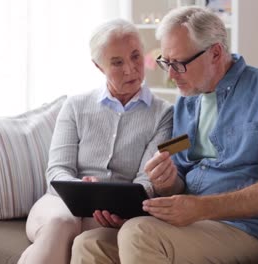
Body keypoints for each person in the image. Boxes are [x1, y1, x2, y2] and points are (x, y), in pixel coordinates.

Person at [71, 6, 258, 264]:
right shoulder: (187, 103)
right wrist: (167, 182)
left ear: (215, 52)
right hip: (191, 223)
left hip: (248, 230)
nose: (171, 75)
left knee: (139, 234)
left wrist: (201, 208)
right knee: (90, 242)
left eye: (179, 64)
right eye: (166, 62)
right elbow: (180, 174)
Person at [18, 18, 173, 264]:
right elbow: (58, 170)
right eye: (117, 62)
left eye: (135, 57)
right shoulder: (75, 106)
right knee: (61, 221)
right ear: (99, 66)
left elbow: (147, 180)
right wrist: (81, 188)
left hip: (116, 214)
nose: (130, 69)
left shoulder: (163, 114)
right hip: (58, 204)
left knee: (75, 233)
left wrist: (120, 206)